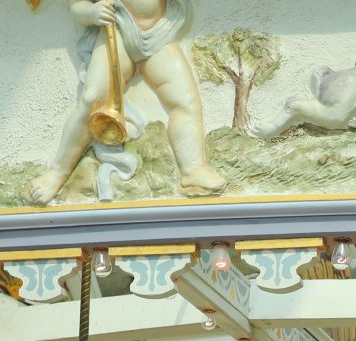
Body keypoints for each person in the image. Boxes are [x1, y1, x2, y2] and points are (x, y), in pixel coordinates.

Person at [27, 0, 225, 204]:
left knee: (185, 100)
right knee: (92, 99)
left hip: (159, 33)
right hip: (118, 33)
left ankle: (193, 168)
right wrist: (92, 12)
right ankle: (57, 172)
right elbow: (76, 6)